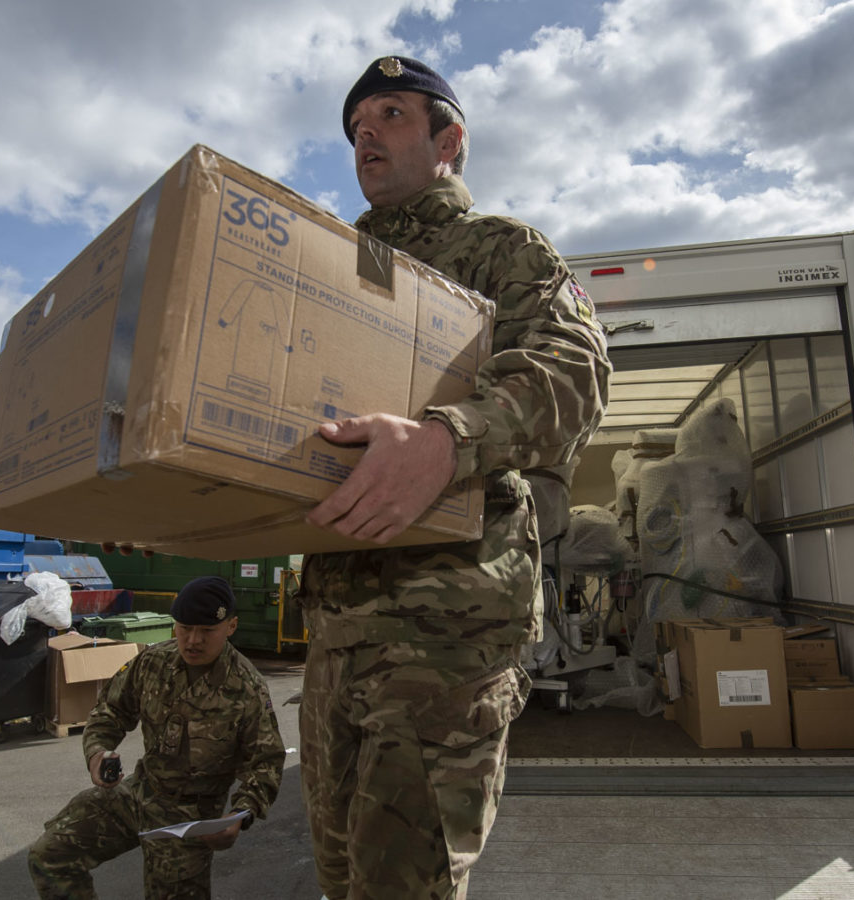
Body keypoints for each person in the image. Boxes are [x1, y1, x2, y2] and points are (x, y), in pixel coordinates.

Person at [296, 56, 611, 899]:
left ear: (450, 140)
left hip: (445, 633)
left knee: (407, 888)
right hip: (334, 634)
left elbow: (575, 371)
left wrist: (448, 440)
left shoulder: (500, 249)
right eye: (356, 125)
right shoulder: (332, 266)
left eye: (391, 113)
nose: (366, 132)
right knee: (338, 876)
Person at [27, 576, 285, 899]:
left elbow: (266, 762)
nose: (192, 640)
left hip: (192, 820)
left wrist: (240, 815)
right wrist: (97, 754)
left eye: (206, 631)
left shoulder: (246, 688)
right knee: (50, 855)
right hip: (140, 794)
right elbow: (110, 710)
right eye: (184, 628)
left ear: (231, 626)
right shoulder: (154, 662)